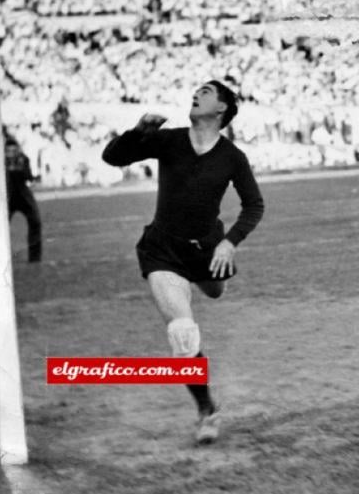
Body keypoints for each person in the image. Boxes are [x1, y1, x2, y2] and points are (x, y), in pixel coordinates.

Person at [101, 80, 264, 445]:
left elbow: (254, 205)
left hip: (207, 251)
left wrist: (228, 242)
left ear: (221, 109)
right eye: (196, 91)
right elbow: (112, 157)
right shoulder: (170, 139)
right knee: (182, 332)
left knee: (215, 292)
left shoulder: (232, 157)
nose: (196, 94)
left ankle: (205, 279)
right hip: (162, 250)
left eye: (206, 92)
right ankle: (207, 409)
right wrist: (140, 132)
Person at [5, 135, 43, 263]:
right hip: (7, 196)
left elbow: (27, 176)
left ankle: (35, 258)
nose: (11, 153)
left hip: (23, 195)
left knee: (35, 222)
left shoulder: (23, 159)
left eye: (13, 151)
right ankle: (0, 257)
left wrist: (18, 167)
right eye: (8, 151)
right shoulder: (0, 161)